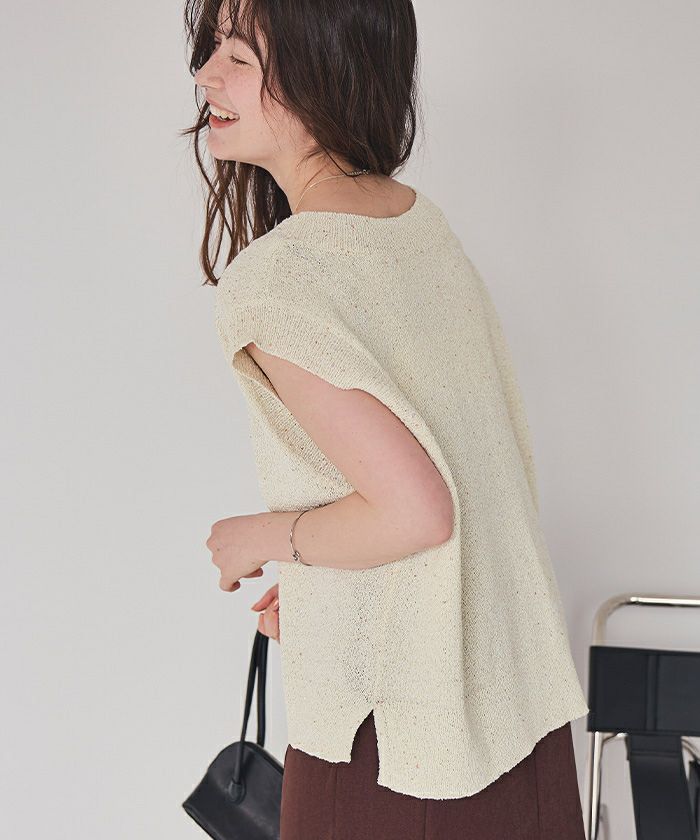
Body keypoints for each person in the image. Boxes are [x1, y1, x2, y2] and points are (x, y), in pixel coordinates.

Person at [184, 1, 590, 837]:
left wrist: (260, 537)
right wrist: (326, 580)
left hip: (396, 754)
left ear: (325, 71)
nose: (206, 75)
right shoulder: (413, 223)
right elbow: (462, 481)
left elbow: (417, 512)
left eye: (240, 57)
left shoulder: (278, 280)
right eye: (211, 47)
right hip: (516, 723)